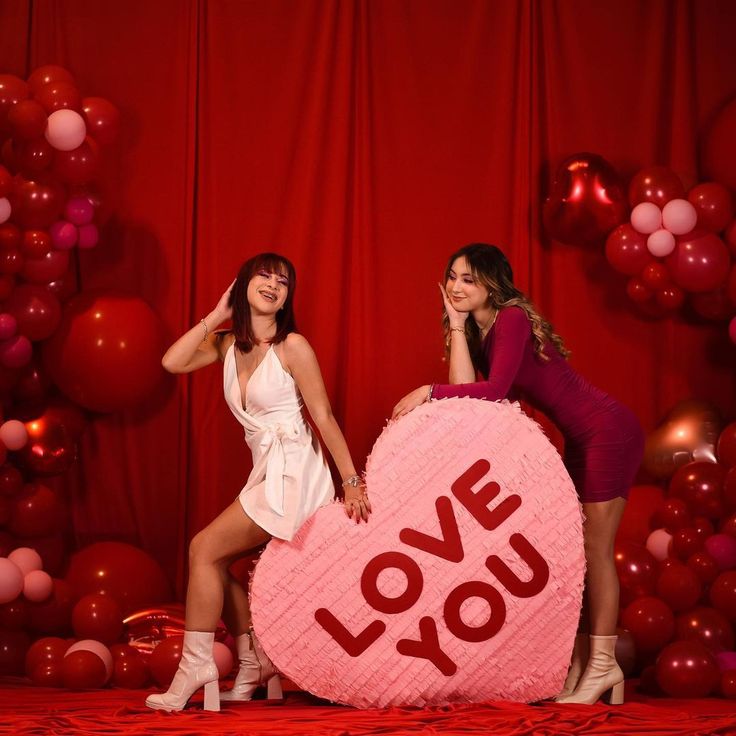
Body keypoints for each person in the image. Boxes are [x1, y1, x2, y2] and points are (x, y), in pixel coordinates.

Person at [392, 243, 643, 706]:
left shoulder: (511, 318)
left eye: (469, 279)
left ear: (493, 283)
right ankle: (582, 662)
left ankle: (604, 667)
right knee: (577, 553)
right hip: (582, 438)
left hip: (608, 431)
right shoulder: (483, 327)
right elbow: (470, 396)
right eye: (451, 276)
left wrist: (429, 390)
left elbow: (494, 391)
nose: (456, 286)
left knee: (595, 548)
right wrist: (458, 324)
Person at [146, 252, 371, 712]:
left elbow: (323, 416)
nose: (272, 285)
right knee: (216, 563)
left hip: (294, 474)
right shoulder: (227, 346)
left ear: (288, 297)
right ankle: (255, 661)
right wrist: (217, 314)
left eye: (283, 282)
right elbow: (171, 362)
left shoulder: (293, 347)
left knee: (202, 550)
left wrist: (350, 481)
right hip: (265, 472)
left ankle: (196, 666)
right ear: (242, 284)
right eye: (263, 276)